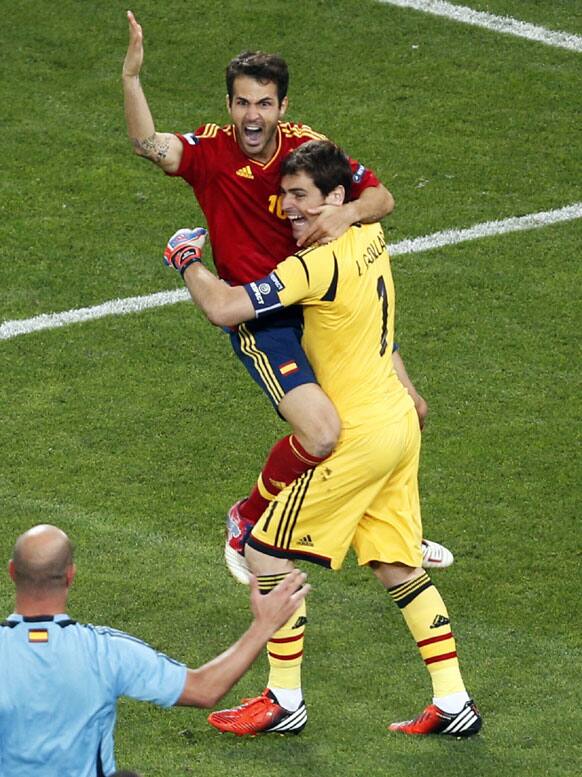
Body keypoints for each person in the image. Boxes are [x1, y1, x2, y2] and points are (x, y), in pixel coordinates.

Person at [163, 140, 482, 738]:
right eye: (284, 195)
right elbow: (376, 216)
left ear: (336, 199)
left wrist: (186, 260)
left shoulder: (313, 265)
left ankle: (284, 700)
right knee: (395, 564)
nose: (287, 208)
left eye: (301, 197)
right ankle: (454, 700)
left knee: (263, 551)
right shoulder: (370, 237)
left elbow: (228, 307)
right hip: (396, 423)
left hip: (358, 438)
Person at [122, 11, 452, 576]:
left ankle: (397, 531)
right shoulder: (211, 153)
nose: (253, 115)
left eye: (264, 103)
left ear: (283, 107)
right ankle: (247, 519)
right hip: (264, 317)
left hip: (329, 307)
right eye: (243, 103)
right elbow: (149, 144)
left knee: (408, 411)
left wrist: (344, 213)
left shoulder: (308, 152)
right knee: (322, 432)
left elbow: (383, 199)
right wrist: (131, 78)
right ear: (230, 107)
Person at [0, 524, 309, 775]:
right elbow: (205, 689)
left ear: (13, 572)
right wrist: (262, 627)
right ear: (70, 575)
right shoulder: (105, 651)